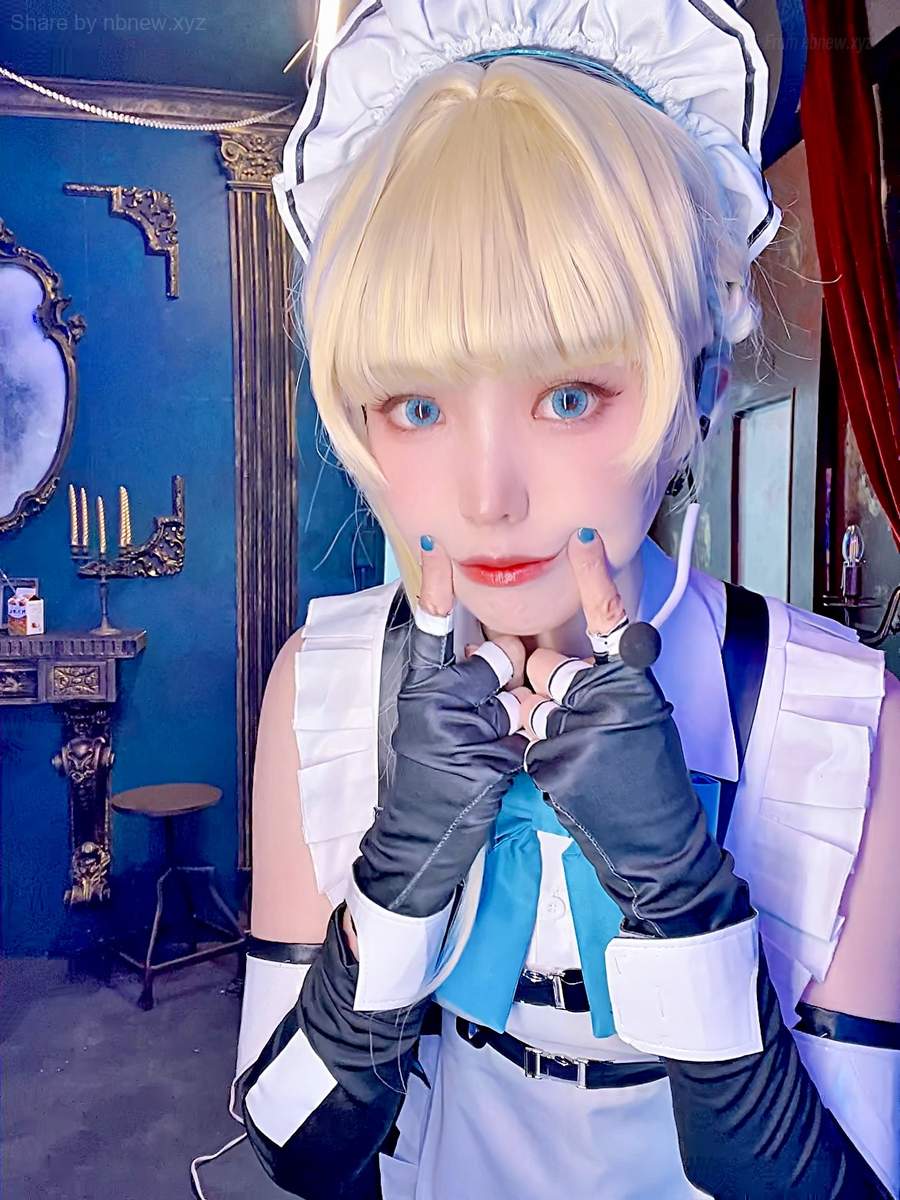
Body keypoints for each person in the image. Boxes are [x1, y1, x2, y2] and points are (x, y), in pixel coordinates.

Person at [194, 2, 900, 1197]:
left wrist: (684, 895)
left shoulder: (840, 720)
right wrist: (396, 878)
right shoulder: (321, 687)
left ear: (701, 385)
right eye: (417, 405)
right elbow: (294, 1148)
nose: (488, 497)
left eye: (569, 395)